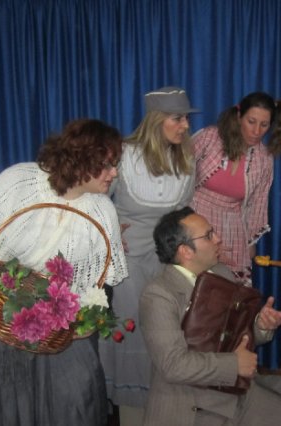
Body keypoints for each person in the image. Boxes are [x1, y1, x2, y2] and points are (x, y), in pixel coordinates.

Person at [0, 119, 129, 426]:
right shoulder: (17, 182)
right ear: (81, 159)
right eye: (107, 165)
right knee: (2, 405)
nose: (115, 173)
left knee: (75, 397)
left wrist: (93, 320)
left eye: (115, 164)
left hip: (58, 328)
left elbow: (103, 286)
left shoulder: (103, 211)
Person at [139, 207, 281, 425]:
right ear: (186, 251)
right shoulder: (159, 295)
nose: (218, 239)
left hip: (238, 393)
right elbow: (173, 365)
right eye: (209, 235)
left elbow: (238, 335)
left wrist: (260, 325)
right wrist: (234, 365)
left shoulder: (221, 273)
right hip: (193, 404)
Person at [100, 87, 198, 412]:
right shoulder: (123, 156)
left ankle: (162, 400)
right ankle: (131, 402)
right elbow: (96, 197)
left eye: (185, 118)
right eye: (178, 118)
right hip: (127, 259)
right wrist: (111, 230)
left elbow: (184, 212)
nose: (185, 125)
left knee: (165, 328)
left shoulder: (187, 158)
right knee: (131, 326)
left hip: (167, 259)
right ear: (157, 120)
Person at [191, 92, 281, 284]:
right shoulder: (210, 137)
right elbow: (179, 174)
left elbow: (258, 204)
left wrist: (250, 242)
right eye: (251, 121)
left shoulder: (264, 159)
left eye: (264, 125)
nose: (256, 131)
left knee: (228, 288)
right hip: (195, 219)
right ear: (239, 116)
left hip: (231, 227)